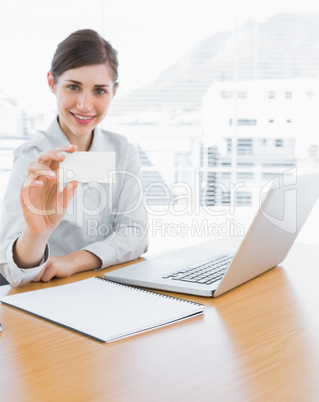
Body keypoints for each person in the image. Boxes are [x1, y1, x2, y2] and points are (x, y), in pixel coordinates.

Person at [0, 29, 148, 287]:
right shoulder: (33, 157)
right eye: (73, 87)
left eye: (99, 91)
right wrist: (36, 234)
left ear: (114, 91)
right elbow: (12, 270)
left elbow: (136, 234)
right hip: (46, 291)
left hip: (105, 285)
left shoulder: (123, 151)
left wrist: (74, 260)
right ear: (51, 83)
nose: (84, 104)